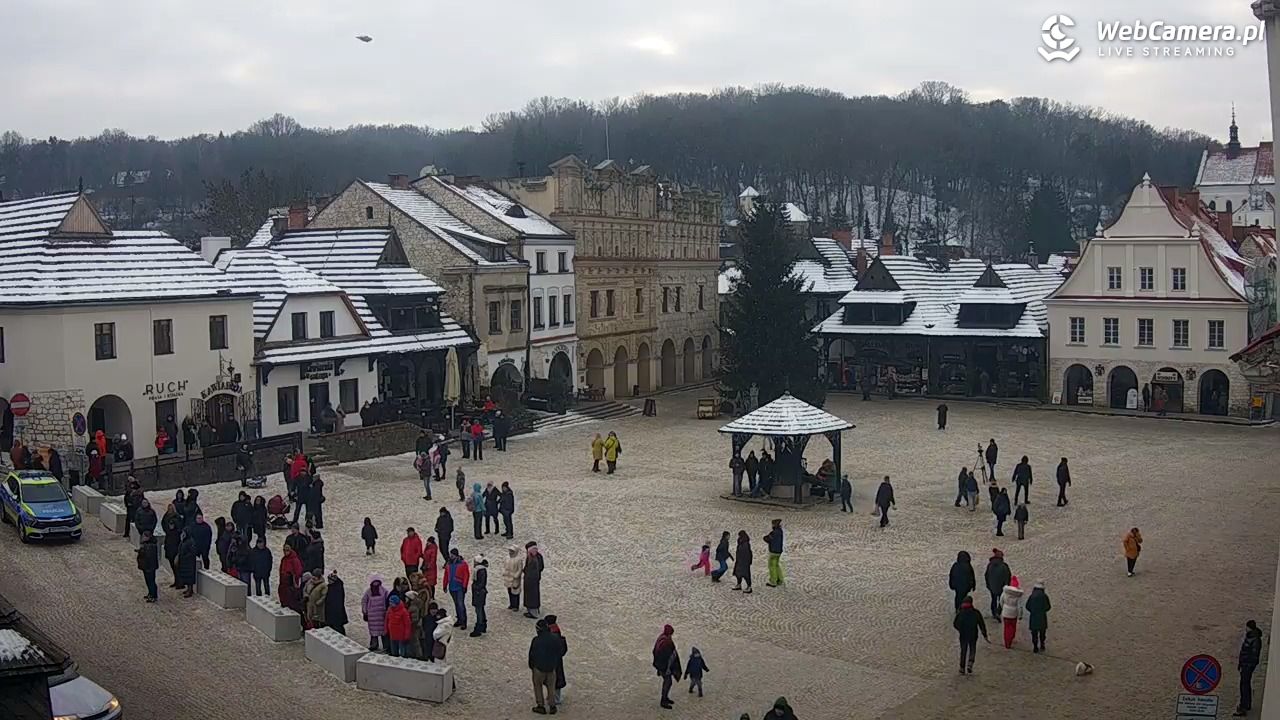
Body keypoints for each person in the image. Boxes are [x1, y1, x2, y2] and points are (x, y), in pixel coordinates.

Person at [529, 619, 563, 714]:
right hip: (551, 668)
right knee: (551, 687)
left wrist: (532, 666)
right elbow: (559, 652)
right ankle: (552, 706)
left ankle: (541, 705)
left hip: (539, 668)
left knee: (538, 686)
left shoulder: (536, 640)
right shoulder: (555, 638)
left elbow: (532, 655)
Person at [953, 595, 989, 674]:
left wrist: (960, 630)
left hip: (963, 635)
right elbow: (981, 624)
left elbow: (955, 624)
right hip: (973, 634)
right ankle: (970, 663)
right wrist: (985, 634)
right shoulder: (976, 613)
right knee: (972, 648)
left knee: (963, 650)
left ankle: (962, 667)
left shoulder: (960, 613)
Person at [1235, 620, 1264, 716]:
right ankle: (1246, 704)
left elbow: (1254, 654)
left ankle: (1244, 706)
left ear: (1249, 627)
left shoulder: (1255, 639)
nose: (1245, 629)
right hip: (1245, 664)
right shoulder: (1251, 637)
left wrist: (1247, 665)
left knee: (1244, 685)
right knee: (1245, 684)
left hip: (1248, 665)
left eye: (1246, 627)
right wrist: (1240, 663)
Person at [652, 624, 682, 709]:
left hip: (662, 666)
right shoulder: (666, 642)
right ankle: (663, 700)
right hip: (665, 667)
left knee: (668, 682)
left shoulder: (661, 638)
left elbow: (655, 651)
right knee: (668, 682)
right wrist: (668, 668)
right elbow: (667, 657)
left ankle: (665, 698)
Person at [444, 548, 470, 630]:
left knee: (460, 604)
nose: (451, 556)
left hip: (459, 587)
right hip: (452, 587)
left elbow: (466, 575)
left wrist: (464, 586)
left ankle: (463, 621)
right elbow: (446, 575)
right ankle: (459, 619)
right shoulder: (448, 564)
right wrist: (445, 585)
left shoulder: (463, 564)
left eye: (452, 555)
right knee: (456, 604)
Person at [362, 577, 389, 651]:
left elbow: (364, 601)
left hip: (378, 616)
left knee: (377, 632)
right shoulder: (383, 591)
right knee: (380, 632)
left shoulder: (370, 591)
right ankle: (384, 646)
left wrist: (365, 611)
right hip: (378, 616)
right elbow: (364, 601)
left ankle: (376, 645)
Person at [984, 548, 1011, 620]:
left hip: (992, 586)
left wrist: (988, 584)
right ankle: (998, 612)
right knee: (1001, 600)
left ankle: (994, 612)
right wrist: (1007, 585)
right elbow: (1007, 576)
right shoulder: (1004, 566)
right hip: (1002, 587)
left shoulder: (990, 565)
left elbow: (986, 575)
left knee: (993, 599)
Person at [1025, 581, 1051, 653]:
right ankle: (1042, 644)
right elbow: (1048, 607)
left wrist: (1032, 611)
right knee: (1042, 633)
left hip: (1033, 617)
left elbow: (1027, 606)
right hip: (1042, 617)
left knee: (1034, 633)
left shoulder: (1032, 596)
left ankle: (1035, 647)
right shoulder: (1045, 596)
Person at [278, 543, 304, 613]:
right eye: (284, 550)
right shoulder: (283, 559)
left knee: (291, 600)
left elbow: (298, 572)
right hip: (283, 583)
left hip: (291, 584)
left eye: (287, 550)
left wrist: (294, 580)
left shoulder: (295, 560)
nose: (285, 552)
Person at [137, 529, 161, 603]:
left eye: (144, 536)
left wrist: (141, 551)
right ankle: (150, 593)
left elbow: (147, 556)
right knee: (148, 581)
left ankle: (153, 596)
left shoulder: (150, 546)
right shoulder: (147, 545)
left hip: (149, 567)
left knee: (151, 582)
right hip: (147, 566)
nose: (142, 538)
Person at [999, 577, 1023, 648]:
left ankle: (1007, 642)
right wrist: (1020, 615)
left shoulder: (1005, 593)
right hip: (1014, 613)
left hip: (1006, 613)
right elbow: (1020, 606)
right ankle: (1011, 638)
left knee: (1006, 628)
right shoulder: (1018, 595)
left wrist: (1003, 608)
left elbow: (1001, 601)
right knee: (1013, 627)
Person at [523, 542, 545, 618]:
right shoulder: (538, 556)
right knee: (532, 595)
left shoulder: (533, 558)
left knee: (532, 596)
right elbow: (541, 567)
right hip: (532, 580)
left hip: (531, 580)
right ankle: (532, 610)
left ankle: (533, 612)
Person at [162, 503, 182, 584]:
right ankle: (176, 580)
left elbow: (180, 527)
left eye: (171, 509)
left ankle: (179, 581)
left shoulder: (177, 517)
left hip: (175, 543)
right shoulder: (166, 516)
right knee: (172, 564)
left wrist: (174, 526)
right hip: (169, 542)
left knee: (176, 564)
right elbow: (163, 524)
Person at [469, 554, 488, 637]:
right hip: (480, 593)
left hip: (479, 593)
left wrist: (475, 587)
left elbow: (481, 583)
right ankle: (483, 625)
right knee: (481, 609)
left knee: (479, 610)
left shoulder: (479, 571)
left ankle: (479, 627)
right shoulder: (481, 570)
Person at [176, 530, 199, 597]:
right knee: (185, 576)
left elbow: (193, 552)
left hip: (189, 562)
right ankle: (188, 589)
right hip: (184, 562)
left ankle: (190, 590)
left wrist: (185, 557)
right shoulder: (183, 541)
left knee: (189, 577)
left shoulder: (190, 541)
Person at [325, 570, 348, 636]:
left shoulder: (335, 589)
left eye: (329, 580)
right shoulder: (337, 586)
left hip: (335, 612)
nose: (328, 581)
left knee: (337, 627)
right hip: (335, 612)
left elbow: (333, 601)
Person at [763, 519, 784, 587]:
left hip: (773, 551)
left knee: (771, 566)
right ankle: (780, 579)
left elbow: (767, 539)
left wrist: (765, 538)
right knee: (776, 565)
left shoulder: (774, 533)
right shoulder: (780, 531)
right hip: (779, 551)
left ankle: (773, 581)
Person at [504, 543, 525, 610]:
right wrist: (505, 572)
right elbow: (505, 566)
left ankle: (516, 605)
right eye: (510, 551)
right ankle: (511, 604)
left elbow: (520, 569)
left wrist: (516, 575)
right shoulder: (507, 558)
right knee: (509, 591)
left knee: (515, 592)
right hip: (508, 577)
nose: (510, 552)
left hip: (515, 579)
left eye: (512, 551)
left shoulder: (518, 559)